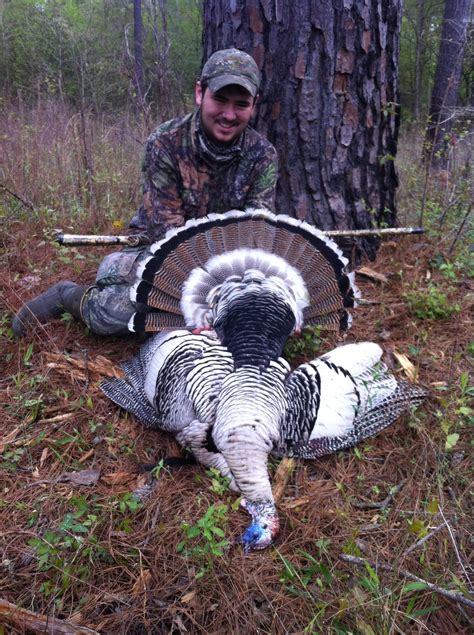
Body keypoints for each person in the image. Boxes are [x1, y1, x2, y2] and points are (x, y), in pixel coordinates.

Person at [13, 49, 278, 338]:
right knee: (112, 314)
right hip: (159, 253)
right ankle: (69, 296)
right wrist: (201, 299)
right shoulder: (165, 143)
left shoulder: (263, 156)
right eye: (220, 100)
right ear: (200, 93)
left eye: (241, 104)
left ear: (254, 105)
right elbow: (169, 237)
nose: (229, 114)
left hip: (228, 268)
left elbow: (256, 237)